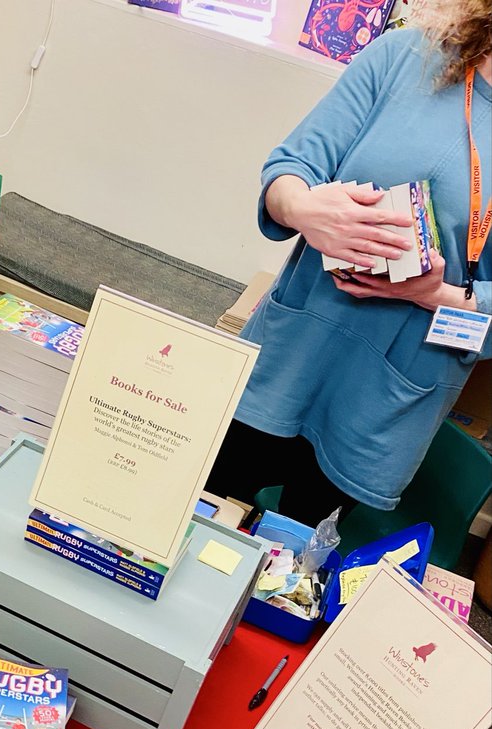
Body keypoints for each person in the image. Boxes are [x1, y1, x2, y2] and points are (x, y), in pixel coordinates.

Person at [206, 4, 491, 528]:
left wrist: (431, 294)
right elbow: (293, 167)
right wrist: (303, 207)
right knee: (194, 521)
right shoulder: (404, 57)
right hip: (288, 354)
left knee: (286, 574)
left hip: (387, 406)